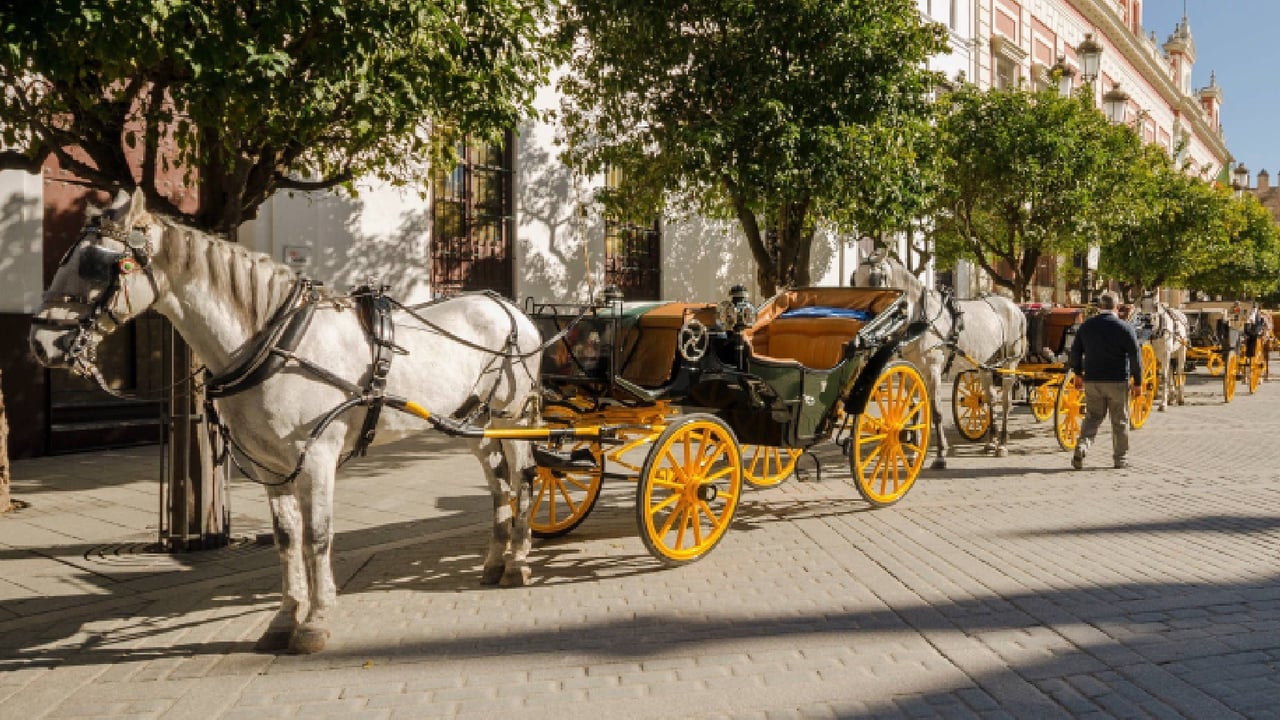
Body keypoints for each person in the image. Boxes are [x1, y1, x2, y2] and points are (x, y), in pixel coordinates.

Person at [1067, 291, 1143, 470]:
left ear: (1100, 307)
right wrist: (1138, 382)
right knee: (1120, 420)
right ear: (1117, 307)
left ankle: (1082, 446)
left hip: (1093, 380)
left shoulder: (1086, 326)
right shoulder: (1125, 328)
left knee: (1092, 417)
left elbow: (1075, 352)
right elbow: (1135, 357)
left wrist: (1078, 373)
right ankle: (1120, 459)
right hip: (1118, 380)